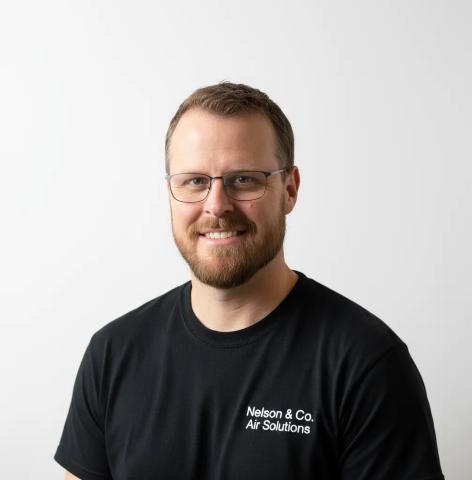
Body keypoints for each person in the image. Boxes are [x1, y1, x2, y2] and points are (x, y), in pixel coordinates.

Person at [54, 81, 444, 480]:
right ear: (170, 191)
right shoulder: (113, 354)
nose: (216, 206)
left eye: (243, 179)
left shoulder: (365, 364)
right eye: (195, 181)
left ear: (289, 190)